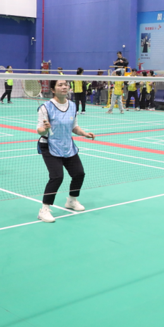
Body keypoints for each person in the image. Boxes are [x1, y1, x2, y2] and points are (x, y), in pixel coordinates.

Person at [36, 79, 95, 223]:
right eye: (60, 85)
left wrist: (84, 133)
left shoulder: (73, 105)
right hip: (49, 145)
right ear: (53, 90)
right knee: (57, 177)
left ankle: (72, 200)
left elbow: (74, 127)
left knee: (79, 173)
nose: (64, 87)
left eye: (66, 85)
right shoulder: (45, 107)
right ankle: (44, 210)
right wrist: (45, 129)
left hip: (67, 145)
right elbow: (39, 130)